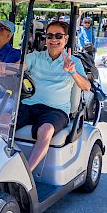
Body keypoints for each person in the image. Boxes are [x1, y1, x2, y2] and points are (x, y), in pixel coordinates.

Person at [16, 21, 91, 173]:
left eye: (58, 36)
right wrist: (9, 69)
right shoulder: (35, 57)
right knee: (3, 120)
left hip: (56, 110)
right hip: (30, 104)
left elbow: (86, 86)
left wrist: (72, 72)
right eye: (50, 36)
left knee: (46, 130)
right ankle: (0, 163)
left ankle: (26, 174)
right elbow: (17, 68)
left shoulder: (73, 62)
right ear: (45, 38)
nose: (53, 39)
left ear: (66, 38)